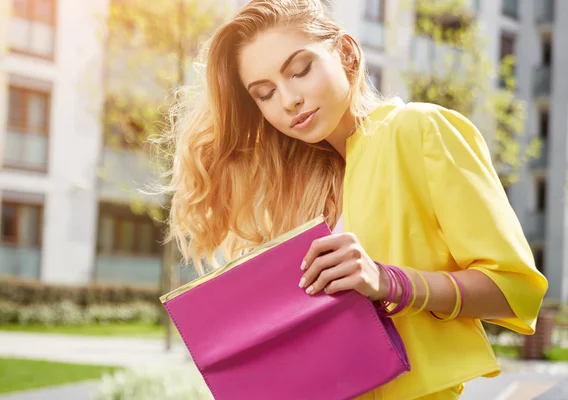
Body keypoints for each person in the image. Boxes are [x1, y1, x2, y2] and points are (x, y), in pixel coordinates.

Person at [162, 0, 548, 398]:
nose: (288, 99)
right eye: (264, 93)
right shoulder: (296, 192)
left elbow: (514, 290)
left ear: (346, 52)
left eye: (300, 70)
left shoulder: (421, 132)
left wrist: (391, 282)